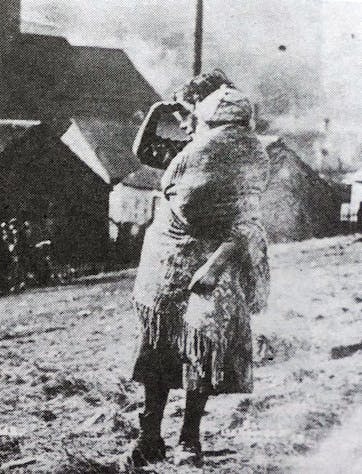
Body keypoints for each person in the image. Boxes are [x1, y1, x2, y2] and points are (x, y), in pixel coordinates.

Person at [118, 71, 270, 469]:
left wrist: (216, 266)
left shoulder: (232, 157)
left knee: (198, 353)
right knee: (156, 351)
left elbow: (247, 223)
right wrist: (156, 112)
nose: (184, 123)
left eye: (188, 115)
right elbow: (146, 151)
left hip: (207, 271)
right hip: (167, 270)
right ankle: (149, 437)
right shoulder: (187, 153)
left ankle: (189, 439)